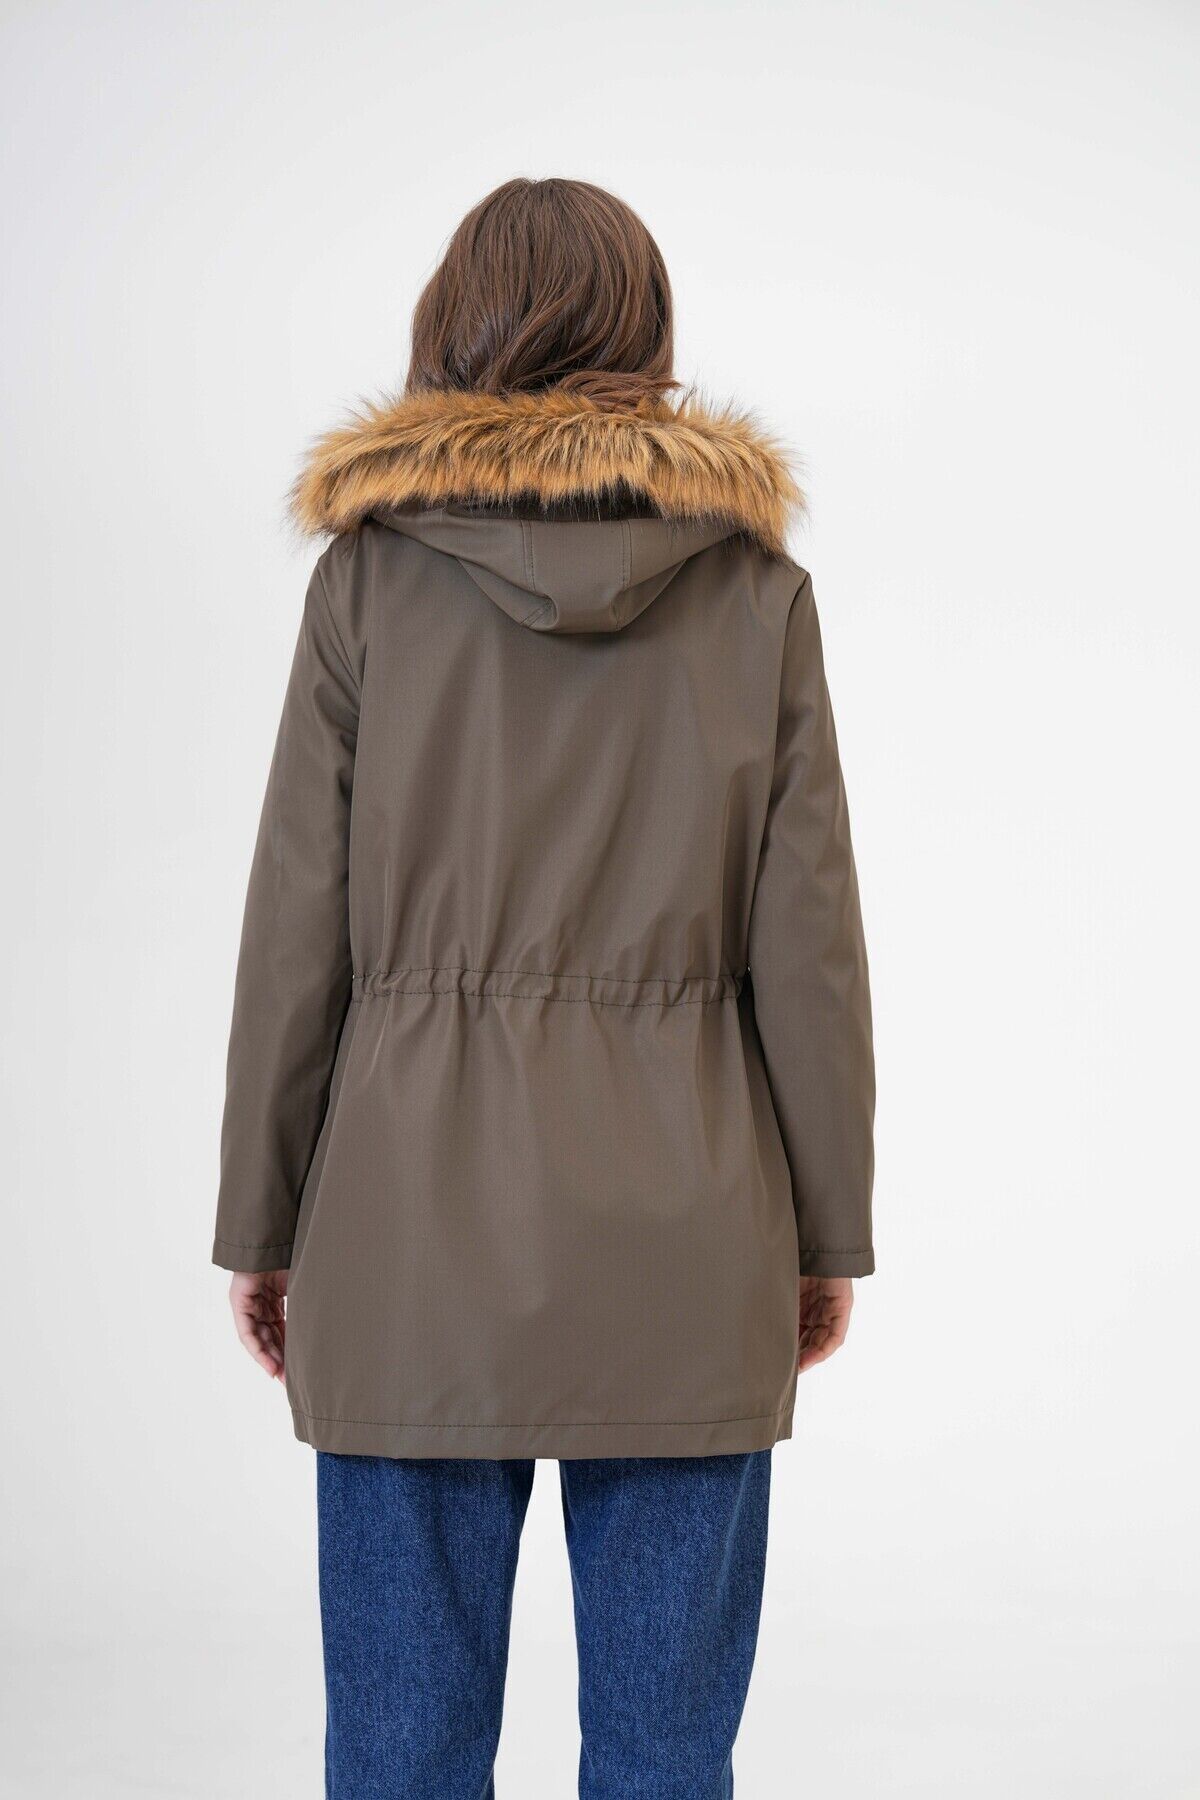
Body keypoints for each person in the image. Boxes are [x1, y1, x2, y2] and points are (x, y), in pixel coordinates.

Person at [213, 176, 874, 1799]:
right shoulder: (757, 597)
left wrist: (265, 1225)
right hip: (691, 1233)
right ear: (646, 336)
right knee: (665, 1756)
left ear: (453, 330)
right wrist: (823, 1236)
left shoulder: (366, 586)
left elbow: (296, 931)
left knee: (400, 1755)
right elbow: (810, 950)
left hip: (405, 1234)